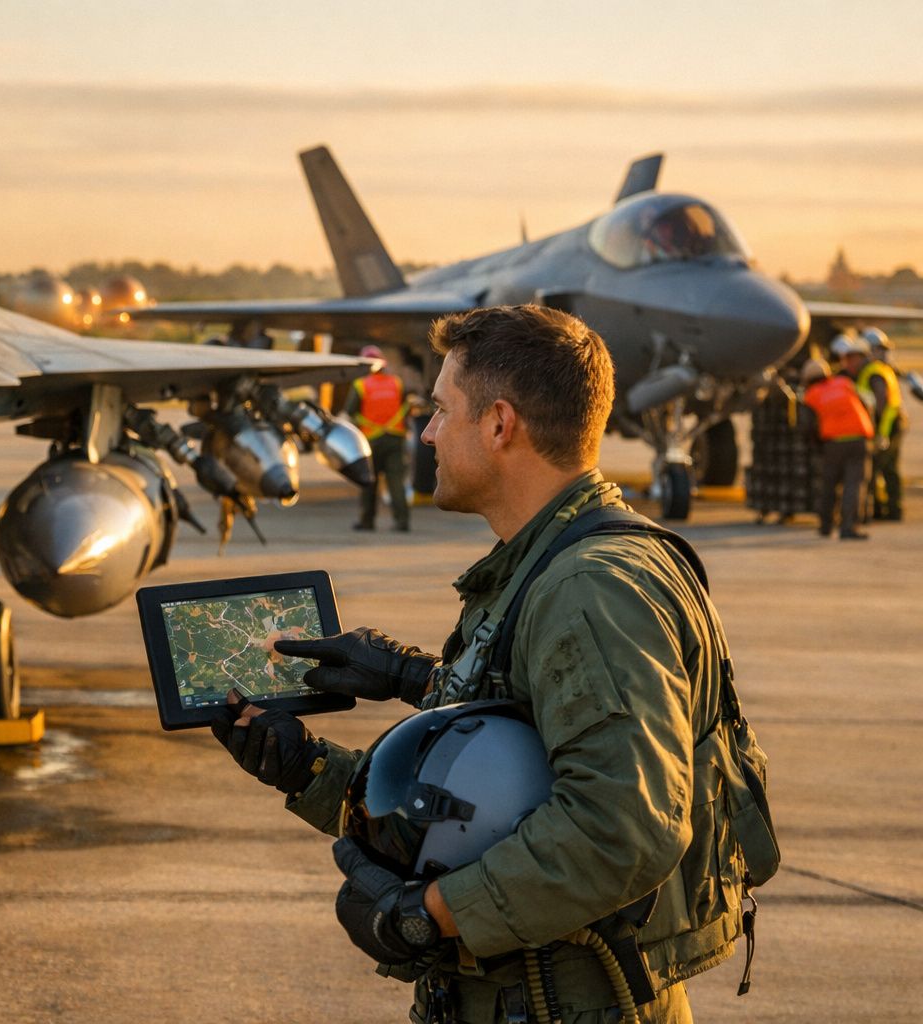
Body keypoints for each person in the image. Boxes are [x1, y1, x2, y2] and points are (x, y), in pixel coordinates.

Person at [211, 305, 760, 1022]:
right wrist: (309, 767)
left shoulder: (588, 588)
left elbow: (619, 828)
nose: (427, 432)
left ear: (500, 424)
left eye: (442, 411)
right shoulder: (555, 563)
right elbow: (498, 788)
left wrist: (423, 916)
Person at [804, 354, 875, 539]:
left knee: (828, 485)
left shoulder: (811, 395)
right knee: (853, 485)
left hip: (833, 444)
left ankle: (826, 526)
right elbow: (867, 403)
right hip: (859, 440)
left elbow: (808, 426)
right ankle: (848, 527)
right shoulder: (844, 383)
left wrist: (816, 445)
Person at [343, 345, 411, 531]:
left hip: (370, 440)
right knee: (396, 482)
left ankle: (367, 521)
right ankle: (402, 521)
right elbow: (406, 408)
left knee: (368, 481)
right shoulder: (396, 383)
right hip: (395, 438)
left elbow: (350, 412)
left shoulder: (360, 385)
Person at [857, 327, 908, 520]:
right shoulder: (885, 369)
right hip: (895, 424)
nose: (883, 353)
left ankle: (878, 509)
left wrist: (881, 433)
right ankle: (892, 509)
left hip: (887, 427)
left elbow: (881, 403)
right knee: (890, 469)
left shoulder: (875, 372)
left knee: (876, 469)